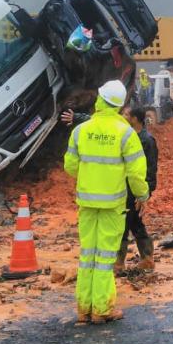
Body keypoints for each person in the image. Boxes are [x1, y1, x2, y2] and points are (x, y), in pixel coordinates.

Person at [63, 80, 149, 324]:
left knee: (87, 254)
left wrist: (91, 176)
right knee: (104, 259)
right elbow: (136, 173)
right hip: (112, 205)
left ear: (99, 100)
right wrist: (142, 195)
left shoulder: (81, 130)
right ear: (120, 106)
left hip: (87, 203)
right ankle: (102, 309)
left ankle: (84, 308)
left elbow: (70, 166)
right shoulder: (126, 133)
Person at [116, 106, 159, 272]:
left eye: (126, 114)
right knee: (134, 222)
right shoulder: (129, 137)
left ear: (135, 118)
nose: (123, 116)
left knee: (125, 223)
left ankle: (118, 263)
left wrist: (145, 193)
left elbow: (150, 168)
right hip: (127, 187)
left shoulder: (147, 140)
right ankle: (147, 258)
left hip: (136, 189)